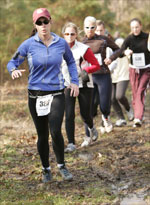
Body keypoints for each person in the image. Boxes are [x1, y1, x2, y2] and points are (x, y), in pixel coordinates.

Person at [7, 8, 79, 183]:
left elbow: (70, 62)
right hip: (35, 95)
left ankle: (61, 165)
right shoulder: (28, 44)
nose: (43, 25)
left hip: (56, 92)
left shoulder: (61, 43)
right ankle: (46, 168)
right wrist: (13, 70)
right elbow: (12, 61)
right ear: (35, 25)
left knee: (55, 131)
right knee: (42, 134)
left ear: (50, 22)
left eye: (45, 21)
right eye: (39, 22)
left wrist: (74, 81)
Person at [61, 22, 100, 151]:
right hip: (67, 84)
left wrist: (86, 71)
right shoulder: (58, 48)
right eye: (67, 34)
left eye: (72, 34)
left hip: (84, 84)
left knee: (85, 114)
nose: (70, 36)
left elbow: (96, 65)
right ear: (63, 34)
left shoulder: (83, 49)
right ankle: (71, 143)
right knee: (69, 114)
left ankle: (91, 127)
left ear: (76, 35)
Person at [82, 16, 120, 134]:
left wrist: (111, 58)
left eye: (93, 27)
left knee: (104, 105)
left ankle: (106, 117)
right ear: (83, 28)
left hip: (103, 75)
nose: (90, 29)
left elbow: (118, 49)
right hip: (89, 77)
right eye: (87, 27)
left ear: (96, 27)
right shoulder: (81, 42)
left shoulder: (103, 39)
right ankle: (88, 134)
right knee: (90, 107)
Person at [119, 18, 150, 127]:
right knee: (135, 92)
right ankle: (138, 112)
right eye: (132, 28)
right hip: (133, 69)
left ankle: (138, 117)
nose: (135, 29)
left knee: (141, 91)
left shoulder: (147, 37)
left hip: (146, 69)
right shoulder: (129, 38)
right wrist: (125, 52)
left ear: (141, 26)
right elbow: (120, 52)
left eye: (137, 27)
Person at [111, 37, 134, 126]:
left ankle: (128, 109)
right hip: (112, 74)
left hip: (123, 73)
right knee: (112, 98)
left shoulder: (120, 42)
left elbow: (128, 52)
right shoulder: (104, 45)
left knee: (119, 96)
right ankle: (121, 118)